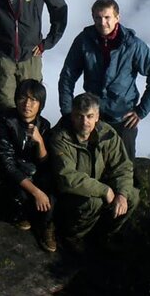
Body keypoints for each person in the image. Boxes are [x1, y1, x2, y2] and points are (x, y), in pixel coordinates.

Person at [58, 0, 150, 159]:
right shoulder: (84, 41)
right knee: (90, 164)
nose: (102, 23)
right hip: (92, 116)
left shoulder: (132, 45)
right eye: (98, 18)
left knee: (124, 167)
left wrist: (141, 111)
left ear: (117, 17)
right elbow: (67, 76)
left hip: (123, 118)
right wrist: (68, 112)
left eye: (107, 17)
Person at [48, 93, 140, 252]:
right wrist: (104, 190)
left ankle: (104, 234)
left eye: (90, 116)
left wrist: (122, 194)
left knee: (132, 195)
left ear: (97, 117)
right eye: (80, 116)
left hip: (95, 184)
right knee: (93, 202)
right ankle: (72, 236)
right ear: (72, 116)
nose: (85, 122)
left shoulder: (108, 134)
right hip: (67, 195)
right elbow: (67, 178)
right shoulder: (60, 138)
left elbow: (123, 166)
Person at [0, 79, 57, 252]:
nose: (27, 104)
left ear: (40, 104)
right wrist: (36, 192)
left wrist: (40, 142)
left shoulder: (44, 125)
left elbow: (44, 163)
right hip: (11, 173)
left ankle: (46, 226)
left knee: (53, 183)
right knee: (22, 193)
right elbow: (6, 163)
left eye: (33, 100)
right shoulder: (5, 120)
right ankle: (21, 215)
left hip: (33, 171)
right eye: (23, 97)